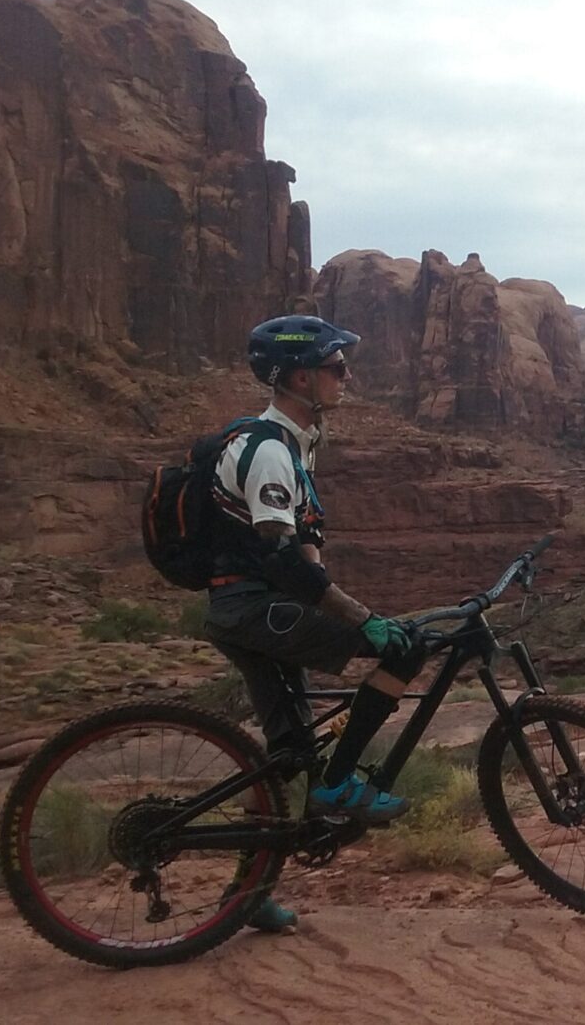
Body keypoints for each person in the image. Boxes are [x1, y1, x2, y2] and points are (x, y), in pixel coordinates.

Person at [201, 315, 425, 935]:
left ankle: (245, 895)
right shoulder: (270, 451)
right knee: (406, 650)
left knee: (285, 755)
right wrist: (366, 622)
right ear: (300, 376)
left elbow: (305, 550)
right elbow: (280, 557)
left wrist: (343, 607)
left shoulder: (298, 443)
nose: (345, 377)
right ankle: (336, 786)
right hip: (254, 609)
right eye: (336, 367)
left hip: (250, 609)